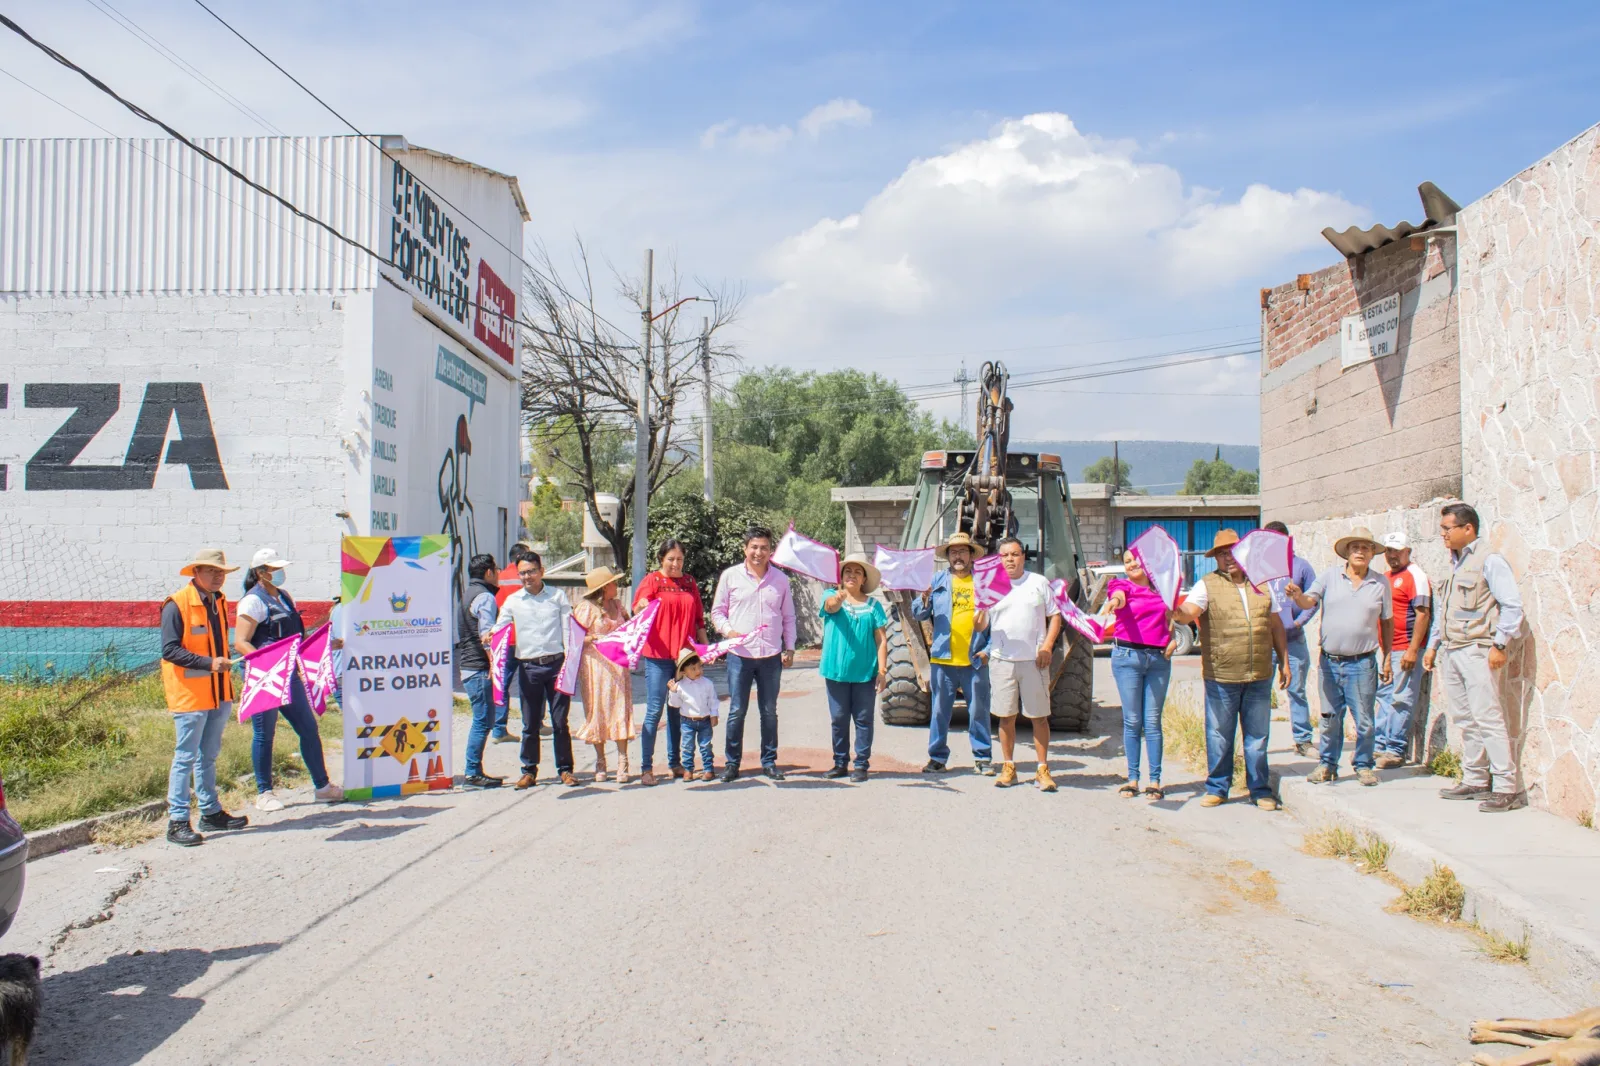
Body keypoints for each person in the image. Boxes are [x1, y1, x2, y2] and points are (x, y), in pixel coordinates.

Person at [1173, 529, 1290, 810]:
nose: (1229, 557)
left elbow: (1275, 625)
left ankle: (1260, 790)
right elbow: (1190, 610)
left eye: (1234, 551)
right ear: (1216, 558)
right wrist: (1175, 613)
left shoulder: (1262, 583)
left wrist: (1285, 662)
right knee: (1219, 735)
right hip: (1222, 675)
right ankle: (1218, 787)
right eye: (1223, 553)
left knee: (1257, 738)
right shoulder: (1207, 584)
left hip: (1259, 674)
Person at [1423, 503, 1526, 812]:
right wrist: (1433, 645)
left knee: (1488, 717)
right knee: (1466, 719)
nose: (1442, 534)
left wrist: (1500, 644)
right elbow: (1444, 609)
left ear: (1467, 529)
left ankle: (1507, 787)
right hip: (1453, 650)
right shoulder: (1455, 563)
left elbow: (1512, 605)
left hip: (1478, 649)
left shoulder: (1489, 560)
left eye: (1447, 528)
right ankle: (1475, 779)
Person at [1283, 526, 1393, 787]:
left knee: (1365, 720)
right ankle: (1327, 765)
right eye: (1355, 547)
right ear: (1347, 552)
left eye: (1365, 548)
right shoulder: (1330, 577)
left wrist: (1387, 657)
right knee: (1330, 718)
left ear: (1372, 554)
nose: (1360, 552)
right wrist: (1298, 596)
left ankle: (1364, 765)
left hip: (1363, 662)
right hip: (1330, 662)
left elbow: (1387, 622)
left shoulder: (1380, 583)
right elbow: (1309, 601)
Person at [234, 549, 343, 811]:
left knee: (308, 728)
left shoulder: (284, 597)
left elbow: (296, 639)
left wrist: (328, 644)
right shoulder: (252, 602)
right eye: (274, 568)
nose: (280, 573)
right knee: (264, 733)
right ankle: (264, 793)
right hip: (266, 677)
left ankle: (322, 786)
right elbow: (241, 642)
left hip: (288, 675)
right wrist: (267, 664)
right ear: (260, 572)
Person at [160, 548, 249, 847]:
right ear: (196, 572)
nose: (218, 576)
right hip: (190, 695)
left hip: (219, 693)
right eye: (212, 571)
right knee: (185, 757)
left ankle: (210, 813)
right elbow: (170, 650)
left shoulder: (218, 602)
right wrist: (209, 663)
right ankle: (177, 821)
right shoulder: (177, 604)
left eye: (221, 572)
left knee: (207, 756)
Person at [711, 526, 797, 783]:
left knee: (769, 711)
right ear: (745, 549)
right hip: (740, 655)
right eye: (754, 547)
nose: (759, 552)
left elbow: (789, 617)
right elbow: (717, 612)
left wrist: (789, 647)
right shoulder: (730, 576)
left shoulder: (780, 580)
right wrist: (729, 631)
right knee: (737, 710)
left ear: (770, 551)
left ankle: (769, 762)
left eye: (764, 548)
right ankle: (732, 763)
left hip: (771, 655)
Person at [981, 537, 1062, 791]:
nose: (1009, 559)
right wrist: (978, 611)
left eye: (1014, 554)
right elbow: (981, 625)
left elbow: (1055, 616)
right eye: (1004, 555)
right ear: (998, 559)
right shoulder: (991, 587)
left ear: (1023, 556)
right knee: (1006, 718)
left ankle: (1042, 769)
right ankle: (1008, 766)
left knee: (1039, 717)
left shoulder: (1038, 583)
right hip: (1002, 661)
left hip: (1034, 661)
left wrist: (1047, 646)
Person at [912, 532, 993, 775]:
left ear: (971, 555)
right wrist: (924, 599)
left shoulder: (984, 584)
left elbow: (996, 621)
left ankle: (982, 758)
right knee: (939, 711)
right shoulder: (937, 582)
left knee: (979, 710)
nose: (958, 556)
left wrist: (988, 650)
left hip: (975, 659)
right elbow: (918, 615)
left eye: (963, 551)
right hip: (943, 660)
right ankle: (937, 758)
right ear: (948, 557)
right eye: (953, 552)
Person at [496, 550, 576, 788]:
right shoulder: (513, 601)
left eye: (531, 571)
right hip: (529, 667)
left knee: (560, 722)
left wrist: (571, 659)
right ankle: (529, 770)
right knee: (530, 723)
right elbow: (500, 627)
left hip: (556, 666)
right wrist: (490, 635)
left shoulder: (558, 597)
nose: (527, 577)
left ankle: (566, 770)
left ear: (541, 571)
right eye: (522, 573)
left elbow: (568, 629)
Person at [633, 539, 708, 786]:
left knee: (679, 711)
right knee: (655, 711)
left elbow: (698, 619)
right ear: (661, 559)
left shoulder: (689, 583)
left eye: (680, 559)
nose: (676, 564)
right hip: (657, 657)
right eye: (671, 559)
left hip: (683, 659)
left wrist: (704, 649)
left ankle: (676, 763)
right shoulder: (652, 581)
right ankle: (647, 767)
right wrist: (642, 605)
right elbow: (639, 606)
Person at [1104, 549, 1176, 800]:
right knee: (1133, 721)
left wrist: (1173, 639)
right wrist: (1114, 603)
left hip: (1158, 660)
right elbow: (1119, 597)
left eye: (1136, 559)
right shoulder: (1121, 585)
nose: (1132, 563)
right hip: (1127, 659)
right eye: (1127, 561)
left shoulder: (1164, 589)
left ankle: (1155, 781)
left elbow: (1170, 620)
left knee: (1153, 722)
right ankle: (1132, 778)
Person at [818, 553, 889, 783]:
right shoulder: (831, 595)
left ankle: (861, 764)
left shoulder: (873, 605)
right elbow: (830, 607)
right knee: (838, 718)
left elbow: (881, 639)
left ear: (864, 579)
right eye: (848, 570)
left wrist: (882, 671)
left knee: (863, 719)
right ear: (842, 576)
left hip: (865, 674)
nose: (852, 575)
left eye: (858, 572)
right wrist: (838, 598)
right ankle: (840, 763)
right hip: (835, 672)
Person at [572, 566, 637, 785]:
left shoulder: (618, 606)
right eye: (613, 583)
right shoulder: (585, 609)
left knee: (619, 709)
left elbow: (630, 628)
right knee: (597, 711)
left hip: (617, 666)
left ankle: (622, 761)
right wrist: (595, 639)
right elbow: (574, 638)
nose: (616, 586)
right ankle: (600, 761)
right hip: (594, 667)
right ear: (603, 588)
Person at [1374, 531, 1432, 769]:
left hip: (1404, 648)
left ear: (1408, 551)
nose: (1392, 555)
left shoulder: (1415, 576)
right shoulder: (1386, 577)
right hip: (1388, 649)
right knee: (1384, 696)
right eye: (1389, 550)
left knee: (1401, 698)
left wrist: (1412, 650)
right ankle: (1379, 746)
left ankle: (1395, 749)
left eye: (1398, 551)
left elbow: (1423, 614)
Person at [1262, 521, 1319, 757]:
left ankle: (1303, 740)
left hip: (1293, 639)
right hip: (1265, 642)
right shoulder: (1260, 568)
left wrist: (1298, 622)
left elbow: (1314, 600)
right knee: (1260, 693)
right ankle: (1258, 742)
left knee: (1296, 690)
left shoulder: (1301, 567)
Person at [456, 553, 503, 789]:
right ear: (488, 573)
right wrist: (494, 665)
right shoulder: (485, 597)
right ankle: (472, 772)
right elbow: (487, 636)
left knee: (482, 719)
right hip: (478, 668)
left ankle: (473, 771)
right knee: (483, 721)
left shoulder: (467, 594)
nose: (498, 575)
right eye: (496, 570)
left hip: (468, 666)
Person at [489, 543, 534, 744]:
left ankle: (499, 729)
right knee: (532, 684)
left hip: (504, 639)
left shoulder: (498, 578)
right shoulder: (528, 578)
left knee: (502, 683)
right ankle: (534, 724)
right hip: (525, 639)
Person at [668, 648, 719, 781]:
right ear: (684, 671)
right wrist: (673, 692)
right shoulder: (680, 686)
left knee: (705, 745)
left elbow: (713, 700)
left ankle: (708, 769)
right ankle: (688, 770)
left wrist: (714, 714)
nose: (698, 671)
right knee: (687, 747)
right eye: (693, 668)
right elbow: (675, 704)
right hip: (687, 721)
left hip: (704, 720)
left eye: (699, 667)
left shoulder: (707, 683)